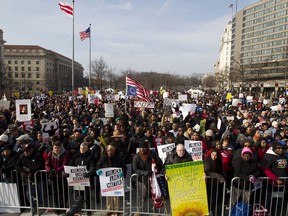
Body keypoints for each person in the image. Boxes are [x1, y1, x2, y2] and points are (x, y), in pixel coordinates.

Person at [132, 139, 162, 213]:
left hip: (152, 179)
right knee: (142, 196)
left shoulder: (152, 153)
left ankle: (154, 210)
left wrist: (155, 159)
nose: (142, 150)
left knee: (153, 194)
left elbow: (159, 163)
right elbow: (135, 169)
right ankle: (140, 210)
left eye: (144, 148)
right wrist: (144, 173)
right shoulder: (136, 157)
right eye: (141, 148)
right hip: (141, 179)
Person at [15, 143, 45, 215]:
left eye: (27, 150)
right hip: (28, 179)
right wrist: (22, 171)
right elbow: (17, 165)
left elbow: (40, 166)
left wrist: (30, 170)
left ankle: (40, 207)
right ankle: (33, 207)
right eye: (24, 150)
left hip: (39, 178)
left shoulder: (38, 155)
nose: (26, 152)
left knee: (41, 193)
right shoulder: (22, 156)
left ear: (32, 149)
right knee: (29, 194)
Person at [96, 145, 126, 216]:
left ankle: (118, 209)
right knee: (108, 195)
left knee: (116, 195)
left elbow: (123, 167)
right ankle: (109, 209)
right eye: (108, 151)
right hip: (107, 182)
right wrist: (98, 171)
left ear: (114, 151)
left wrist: (123, 172)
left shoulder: (119, 158)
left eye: (111, 150)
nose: (110, 152)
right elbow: (98, 166)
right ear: (106, 151)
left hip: (116, 181)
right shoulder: (103, 159)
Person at [68, 142, 96, 214]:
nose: (82, 150)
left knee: (87, 195)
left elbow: (92, 166)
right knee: (78, 195)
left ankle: (88, 209)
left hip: (87, 179)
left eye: (84, 148)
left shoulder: (91, 156)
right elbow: (70, 165)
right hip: (77, 179)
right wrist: (67, 172)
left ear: (87, 149)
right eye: (81, 148)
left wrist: (89, 173)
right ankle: (78, 209)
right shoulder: (75, 156)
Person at [261, 141, 288, 212]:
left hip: (282, 184)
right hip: (272, 184)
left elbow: (284, 167)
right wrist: (276, 179)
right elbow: (266, 169)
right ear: (274, 148)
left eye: (282, 148)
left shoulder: (283, 155)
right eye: (278, 148)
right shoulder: (268, 156)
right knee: (270, 203)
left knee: (279, 202)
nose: (280, 150)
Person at [45, 140, 70, 214]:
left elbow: (64, 165)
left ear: (61, 148)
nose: (56, 149)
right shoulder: (50, 153)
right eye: (55, 148)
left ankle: (63, 206)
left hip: (62, 176)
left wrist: (56, 170)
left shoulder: (65, 154)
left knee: (64, 192)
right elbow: (47, 164)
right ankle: (57, 207)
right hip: (54, 176)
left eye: (58, 148)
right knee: (55, 192)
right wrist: (50, 170)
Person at [204, 149, 226, 215]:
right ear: (210, 154)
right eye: (212, 155)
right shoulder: (207, 160)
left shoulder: (219, 161)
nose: (214, 157)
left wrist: (223, 174)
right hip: (209, 182)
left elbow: (221, 169)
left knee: (214, 198)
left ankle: (212, 211)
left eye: (216, 155)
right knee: (209, 198)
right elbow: (207, 171)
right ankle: (208, 211)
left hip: (216, 183)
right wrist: (218, 176)